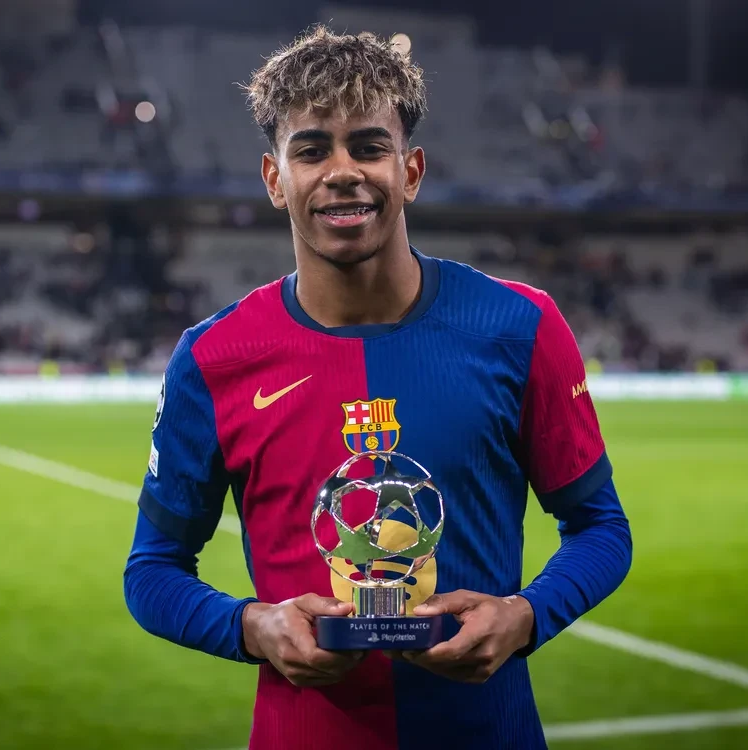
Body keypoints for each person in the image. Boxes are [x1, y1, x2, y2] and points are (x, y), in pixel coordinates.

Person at [123, 25, 632, 749]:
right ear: (274, 179)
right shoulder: (214, 358)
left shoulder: (519, 327)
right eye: (311, 150)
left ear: (411, 170)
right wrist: (253, 626)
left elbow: (601, 527)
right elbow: (152, 571)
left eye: (368, 147)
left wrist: (526, 615)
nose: (342, 172)